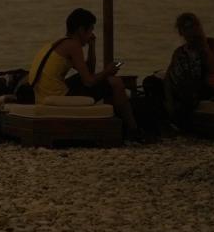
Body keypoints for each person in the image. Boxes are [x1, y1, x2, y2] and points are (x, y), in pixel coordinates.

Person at [26, 8, 141, 137]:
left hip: (43, 95)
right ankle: (133, 130)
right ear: (81, 30)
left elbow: (88, 71)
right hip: (57, 96)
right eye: (91, 29)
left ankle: (128, 127)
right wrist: (108, 71)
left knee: (88, 78)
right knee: (116, 82)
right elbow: (89, 81)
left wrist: (92, 46)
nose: (92, 33)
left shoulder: (60, 43)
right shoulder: (74, 45)